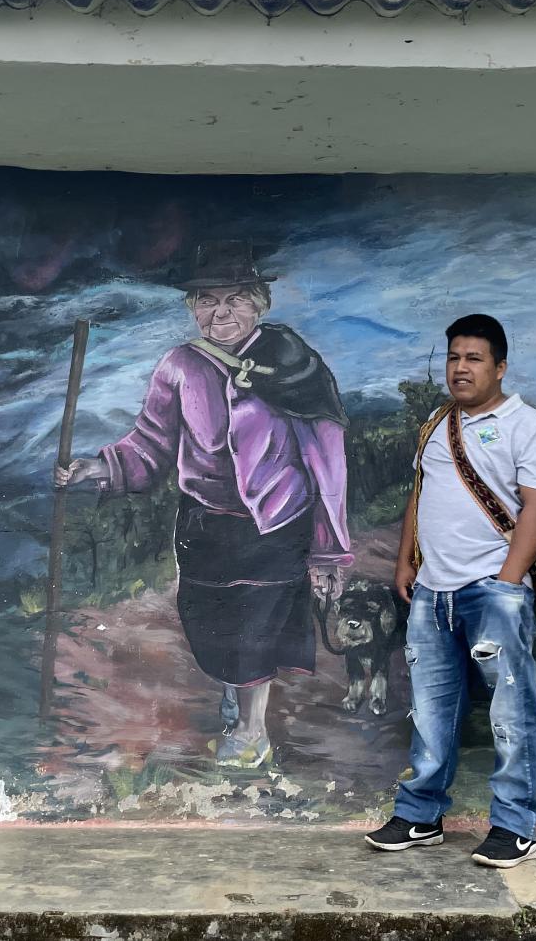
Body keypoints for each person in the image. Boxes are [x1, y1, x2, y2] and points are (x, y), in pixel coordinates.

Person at [55, 240, 350, 768]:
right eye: (207, 300)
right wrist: (100, 467)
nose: (220, 312)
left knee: (254, 627)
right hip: (204, 524)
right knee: (210, 623)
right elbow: (150, 443)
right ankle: (236, 684)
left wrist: (329, 550)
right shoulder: (179, 366)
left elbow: (326, 460)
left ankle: (251, 730)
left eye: (235, 299)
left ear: (259, 303)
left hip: (275, 522)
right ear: (192, 308)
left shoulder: (292, 363)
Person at [365, 313, 536, 869]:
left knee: (510, 708)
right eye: (454, 357)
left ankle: (515, 826)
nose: (460, 368)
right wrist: (407, 561)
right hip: (431, 591)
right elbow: (420, 494)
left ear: (500, 367)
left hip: (491, 590)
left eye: (474, 358)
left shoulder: (527, 426)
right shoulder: (436, 423)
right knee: (431, 710)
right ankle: (421, 815)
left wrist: (506, 584)